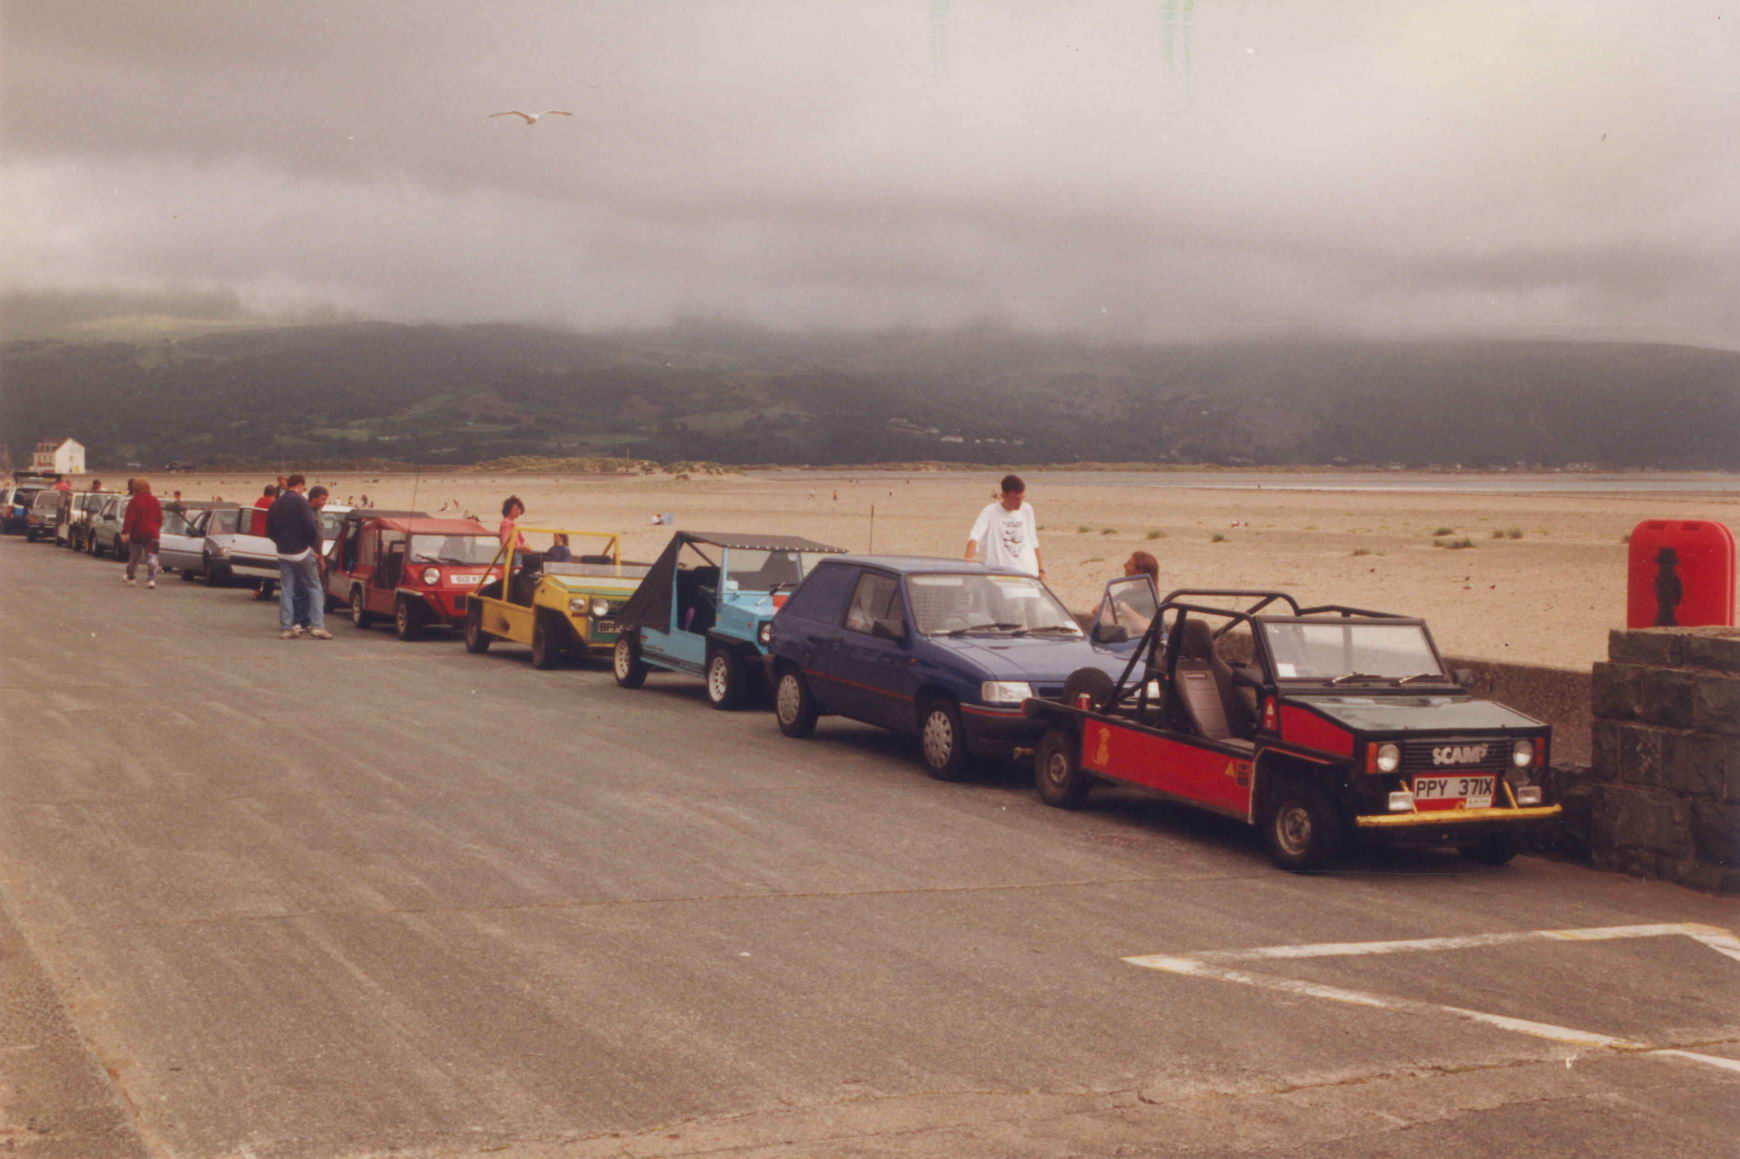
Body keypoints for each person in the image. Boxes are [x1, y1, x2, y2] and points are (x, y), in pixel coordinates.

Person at [265, 474, 331, 640]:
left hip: (283, 551)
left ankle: (287, 627)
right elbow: (311, 526)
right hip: (301, 551)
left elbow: (269, 530)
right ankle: (317, 626)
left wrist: (280, 543)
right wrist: (310, 547)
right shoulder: (301, 501)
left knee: (287, 589)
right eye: (303, 487)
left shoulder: (276, 502)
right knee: (314, 587)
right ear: (300, 485)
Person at [964, 473, 1044, 580]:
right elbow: (974, 539)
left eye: (1022, 498)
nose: (1020, 503)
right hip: (1001, 574)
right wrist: (968, 564)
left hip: (1028, 572)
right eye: (1016, 499)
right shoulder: (990, 511)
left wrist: (1040, 570)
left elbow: (1033, 541)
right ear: (1003, 496)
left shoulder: (1027, 509)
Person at [120, 478, 164, 588]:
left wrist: (125, 532)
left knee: (134, 557)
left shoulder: (134, 501)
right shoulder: (155, 501)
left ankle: (131, 577)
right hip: (152, 533)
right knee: (152, 556)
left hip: (136, 533)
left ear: (135, 488)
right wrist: (156, 528)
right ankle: (151, 579)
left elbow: (129, 518)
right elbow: (160, 518)